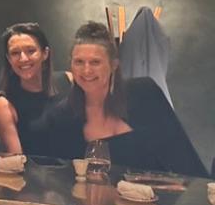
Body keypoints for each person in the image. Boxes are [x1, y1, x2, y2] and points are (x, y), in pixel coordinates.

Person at [42, 21, 207, 176]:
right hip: (95, 204)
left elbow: (185, 159)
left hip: (158, 199)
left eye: (95, 62)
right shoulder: (61, 117)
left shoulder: (144, 94)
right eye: (79, 62)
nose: (86, 70)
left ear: (113, 65)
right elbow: (60, 180)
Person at [0, 23, 70, 155]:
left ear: (45, 53)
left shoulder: (69, 80)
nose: (23, 58)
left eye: (31, 51)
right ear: (9, 59)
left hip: (81, 171)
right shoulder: (4, 105)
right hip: (34, 174)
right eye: (15, 53)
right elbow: (17, 160)